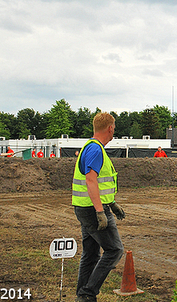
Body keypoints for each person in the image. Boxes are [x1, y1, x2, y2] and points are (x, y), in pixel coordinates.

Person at [72, 112, 125, 302]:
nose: (113, 133)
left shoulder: (90, 147)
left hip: (85, 207)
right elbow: (91, 180)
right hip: (93, 210)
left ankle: (82, 295)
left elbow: (99, 184)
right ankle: (88, 293)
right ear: (110, 128)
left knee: (91, 253)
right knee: (114, 250)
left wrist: (112, 203)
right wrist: (101, 211)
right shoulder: (96, 150)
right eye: (114, 129)